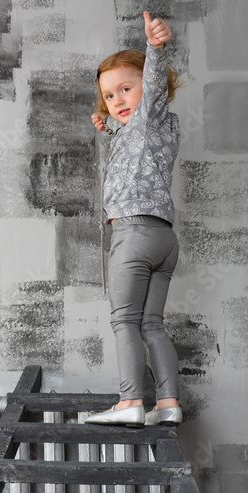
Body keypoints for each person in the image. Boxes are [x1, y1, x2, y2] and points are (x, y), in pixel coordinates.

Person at [84, 11, 182, 426]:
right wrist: (107, 125)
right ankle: (168, 403)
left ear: (153, 89)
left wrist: (155, 49)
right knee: (152, 323)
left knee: (125, 320)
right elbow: (131, 141)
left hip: (134, 233)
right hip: (164, 239)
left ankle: (129, 403)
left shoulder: (151, 113)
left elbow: (151, 84)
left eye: (127, 88)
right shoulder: (154, 128)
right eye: (109, 96)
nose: (118, 99)